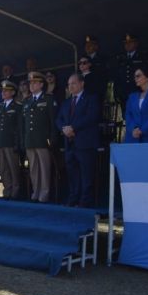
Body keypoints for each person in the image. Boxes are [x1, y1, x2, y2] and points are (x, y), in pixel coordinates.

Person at [56, 73, 100, 207]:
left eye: (73, 83)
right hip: (70, 144)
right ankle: (73, 198)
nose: (71, 86)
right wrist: (64, 129)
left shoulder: (91, 99)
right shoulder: (66, 102)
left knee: (86, 173)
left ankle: (85, 200)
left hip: (85, 143)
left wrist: (72, 127)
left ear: (82, 83)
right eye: (69, 84)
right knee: (72, 173)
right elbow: (59, 119)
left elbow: (91, 117)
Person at [22, 72, 57, 203]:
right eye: (30, 83)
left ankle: (45, 193)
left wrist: (52, 138)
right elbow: (24, 123)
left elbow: (52, 121)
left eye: (34, 82)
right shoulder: (27, 101)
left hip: (43, 140)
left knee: (44, 168)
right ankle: (35, 191)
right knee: (34, 168)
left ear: (41, 84)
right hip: (30, 140)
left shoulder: (48, 99)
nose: (31, 85)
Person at [113, 33, 148, 118]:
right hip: (124, 95)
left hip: (139, 93)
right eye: (125, 43)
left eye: (130, 42)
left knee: (140, 116)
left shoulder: (143, 57)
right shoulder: (120, 57)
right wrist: (116, 92)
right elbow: (117, 77)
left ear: (136, 43)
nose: (127, 45)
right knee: (127, 117)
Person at [0, 81, 22, 200]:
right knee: (3, 168)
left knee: (13, 167)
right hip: (1, 142)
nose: (3, 93)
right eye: (3, 91)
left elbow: (19, 127)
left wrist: (17, 143)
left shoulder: (17, 106)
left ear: (13, 92)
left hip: (11, 143)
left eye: (6, 91)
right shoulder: (0, 106)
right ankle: (7, 190)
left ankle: (15, 192)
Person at [125, 65, 148, 143]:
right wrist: (133, 129)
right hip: (133, 138)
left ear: (147, 77)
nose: (136, 78)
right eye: (135, 77)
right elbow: (128, 115)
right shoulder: (132, 96)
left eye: (138, 76)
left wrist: (142, 130)